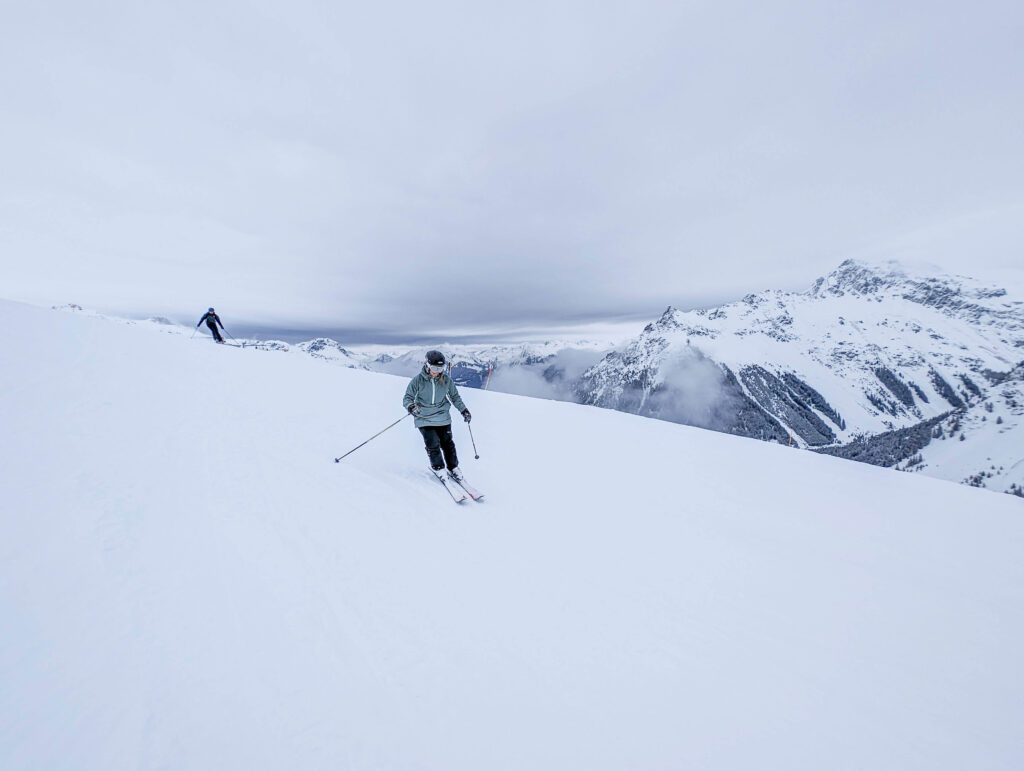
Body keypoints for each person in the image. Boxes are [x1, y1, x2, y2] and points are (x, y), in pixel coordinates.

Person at [403, 350, 472, 481]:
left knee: (448, 444)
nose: (437, 371)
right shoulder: (418, 381)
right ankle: (439, 468)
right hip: (424, 417)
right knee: (433, 443)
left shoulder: (446, 380)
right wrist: (411, 406)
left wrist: (464, 410)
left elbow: (455, 397)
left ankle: (453, 467)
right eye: (435, 368)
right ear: (427, 366)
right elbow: (407, 398)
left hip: (442, 416)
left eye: (441, 368)